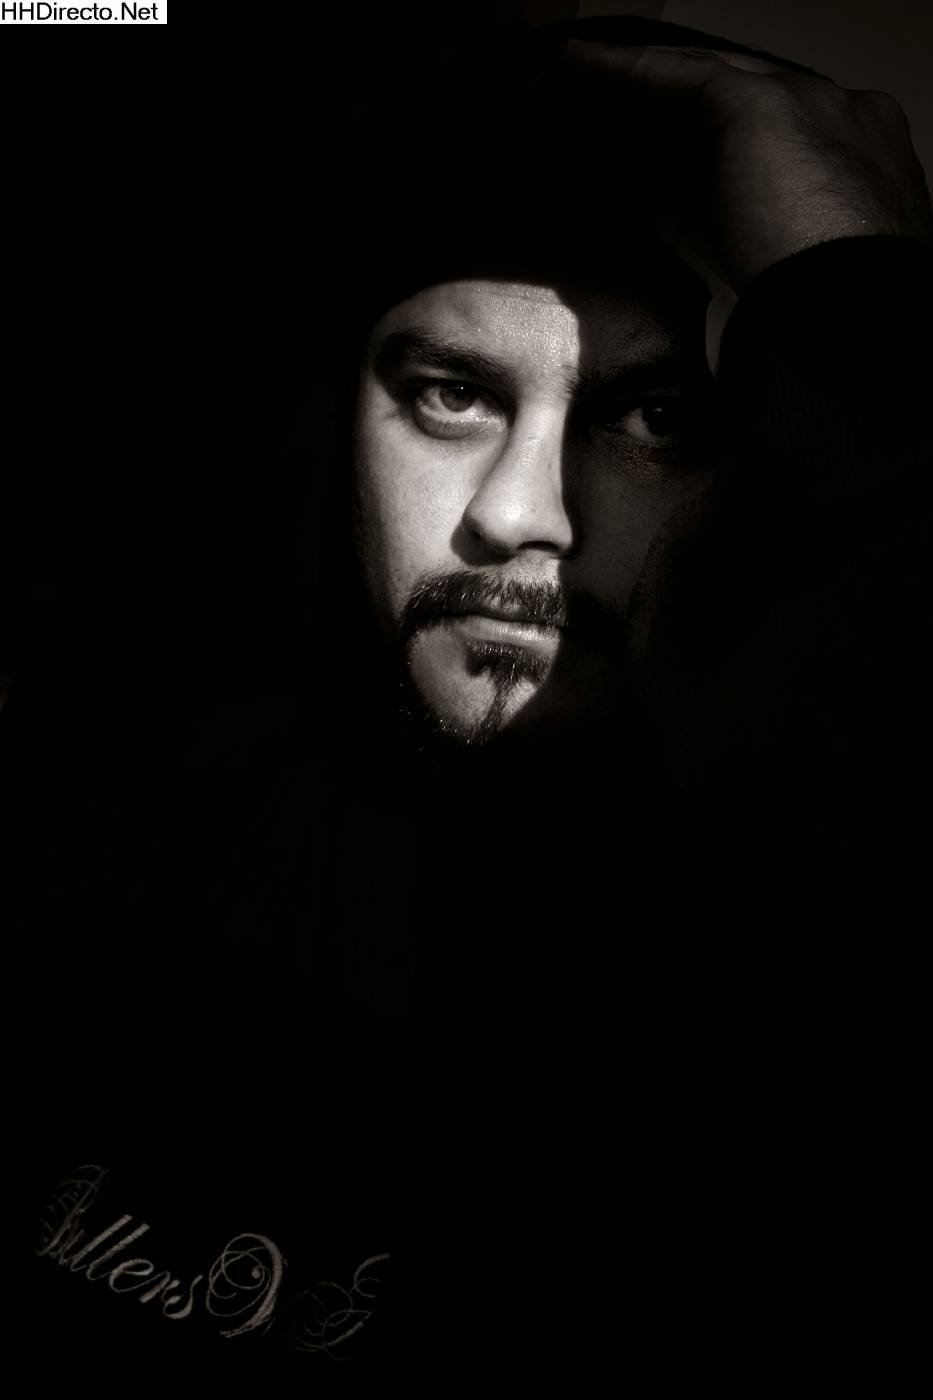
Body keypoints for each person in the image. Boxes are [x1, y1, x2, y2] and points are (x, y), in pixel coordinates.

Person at [13, 9, 931, 1384]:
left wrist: (862, 310)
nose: (519, 515)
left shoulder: (838, 965)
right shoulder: (92, 835)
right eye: (450, 395)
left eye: (658, 419)